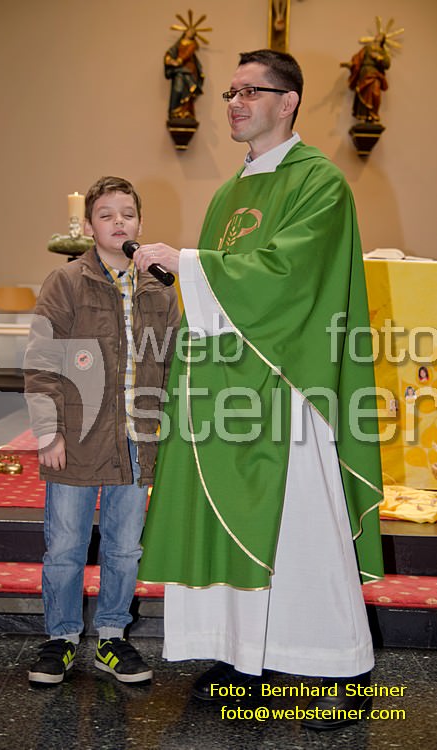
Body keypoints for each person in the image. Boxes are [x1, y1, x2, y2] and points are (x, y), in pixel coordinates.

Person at [132, 50, 384, 731]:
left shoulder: (320, 182)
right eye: (230, 92)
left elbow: (288, 276)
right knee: (229, 524)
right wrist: (182, 275)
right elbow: (219, 288)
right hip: (226, 389)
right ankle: (244, 658)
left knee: (305, 531)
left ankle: (343, 672)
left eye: (251, 91)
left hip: (290, 385)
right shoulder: (228, 194)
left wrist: (186, 263)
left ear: (288, 100)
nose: (235, 103)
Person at [24, 176, 180, 686]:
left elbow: (173, 365)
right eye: (107, 215)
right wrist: (49, 431)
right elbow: (42, 361)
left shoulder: (159, 288)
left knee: (124, 548)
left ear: (140, 223)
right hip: (77, 438)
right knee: (66, 546)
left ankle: (112, 636)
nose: (119, 223)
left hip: (137, 441)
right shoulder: (67, 282)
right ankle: (61, 638)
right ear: (90, 226)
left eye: (127, 214)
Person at [341, 33, 391, 122]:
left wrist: (378, 58)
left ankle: (373, 113)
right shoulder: (367, 49)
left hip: (375, 75)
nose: (377, 36)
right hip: (364, 74)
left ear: (382, 40)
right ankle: (364, 115)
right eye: (377, 35)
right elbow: (358, 59)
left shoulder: (382, 52)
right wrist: (351, 64)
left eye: (380, 36)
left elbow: (387, 64)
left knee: (375, 93)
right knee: (363, 94)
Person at [165, 27, 204, 120]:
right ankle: (175, 111)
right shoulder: (179, 43)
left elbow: (188, 53)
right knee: (177, 89)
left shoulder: (193, 44)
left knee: (187, 91)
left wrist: (179, 61)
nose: (190, 33)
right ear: (185, 32)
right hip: (178, 70)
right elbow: (171, 51)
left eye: (193, 32)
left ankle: (186, 112)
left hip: (189, 69)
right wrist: (168, 59)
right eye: (190, 31)